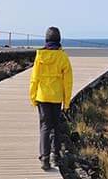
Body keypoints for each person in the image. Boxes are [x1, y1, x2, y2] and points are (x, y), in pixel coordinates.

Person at [28, 26, 73, 171]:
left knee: (44, 127)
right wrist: (66, 103)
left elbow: (34, 79)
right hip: (56, 97)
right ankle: (55, 156)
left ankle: (45, 159)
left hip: (42, 96)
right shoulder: (63, 57)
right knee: (56, 127)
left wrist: (33, 96)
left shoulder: (40, 56)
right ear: (59, 40)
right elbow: (68, 82)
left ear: (46, 40)